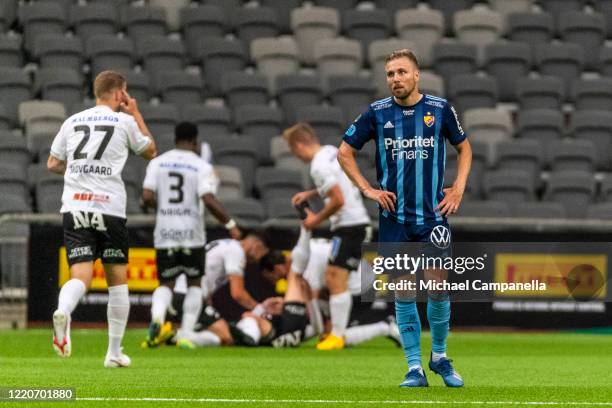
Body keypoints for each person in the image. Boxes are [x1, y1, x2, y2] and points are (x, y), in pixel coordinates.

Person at [337, 49, 472, 387]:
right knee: (403, 291)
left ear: (416, 75)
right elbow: (344, 151)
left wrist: (457, 188)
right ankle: (414, 368)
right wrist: (367, 189)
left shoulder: (440, 109)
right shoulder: (377, 113)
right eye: (389, 74)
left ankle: (439, 356)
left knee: (438, 288)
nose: (394, 79)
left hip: (432, 215)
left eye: (400, 72)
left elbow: (464, 147)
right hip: (394, 218)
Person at [48, 70, 157, 367]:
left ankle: (64, 312)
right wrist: (136, 112)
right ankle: (113, 353)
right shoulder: (123, 121)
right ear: (120, 93)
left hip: (74, 208)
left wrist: (78, 172)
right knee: (117, 283)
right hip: (109, 209)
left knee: (80, 277)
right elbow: (150, 150)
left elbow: (53, 163)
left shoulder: (72, 122)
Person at [141, 121, 241, 348]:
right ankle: (185, 333)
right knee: (195, 283)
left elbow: (147, 197)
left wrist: (161, 206)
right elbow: (208, 199)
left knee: (166, 282)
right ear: (195, 141)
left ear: (175, 139)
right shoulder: (201, 166)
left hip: (165, 232)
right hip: (192, 233)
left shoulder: (158, 163)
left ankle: (157, 319)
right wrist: (230, 223)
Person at [283, 123, 371, 350]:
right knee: (335, 278)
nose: (296, 156)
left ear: (299, 144)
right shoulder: (332, 152)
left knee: (335, 279)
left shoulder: (317, 166)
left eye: (293, 151)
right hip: (356, 222)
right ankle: (338, 334)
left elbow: (338, 199)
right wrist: (312, 193)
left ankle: (338, 336)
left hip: (349, 225)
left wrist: (316, 219)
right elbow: (342, 184)